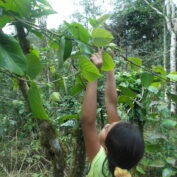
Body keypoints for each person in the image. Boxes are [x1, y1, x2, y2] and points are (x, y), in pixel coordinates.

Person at [81, 51, 145, 177]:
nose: (107, 125)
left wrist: (94, 72)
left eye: (108, 129)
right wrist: (109, 66)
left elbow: (87, 122)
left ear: (106, 149)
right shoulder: (122, 165)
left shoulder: (100, 165)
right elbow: (111, 104)